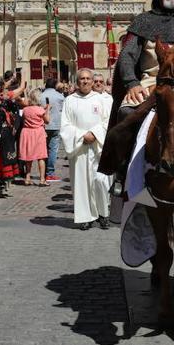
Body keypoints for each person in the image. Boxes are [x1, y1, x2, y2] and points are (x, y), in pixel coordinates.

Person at [60, 69, 111, 230]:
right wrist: (83, 135)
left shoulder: (100, 99)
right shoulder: (70, 100)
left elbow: (107, 121)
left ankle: (103, 213)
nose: (86, 81)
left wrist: (95, 134)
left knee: (100, 181)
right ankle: (85, 217)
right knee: (82, 184)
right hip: (80, 147)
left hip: (98, 146)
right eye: (82, 78)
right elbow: (66, 125)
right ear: (77, 81)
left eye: (88, 78)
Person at [19, 89, 50, 186]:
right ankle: (42, 179)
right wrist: (47, 109)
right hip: (38, 133)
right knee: (41, 156)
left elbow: (28, 116)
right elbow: (47, 120)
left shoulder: (25, 109)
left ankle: (27, 178)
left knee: (29, 157)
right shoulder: (40, 110)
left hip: (27, 132)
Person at [40, 78, 64, 182]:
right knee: (53, 149)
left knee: (43, 149)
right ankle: (50, 172)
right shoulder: (60, 96)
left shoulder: (40, 96)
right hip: (56, 125)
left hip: (43, 125)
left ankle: (43, 172)